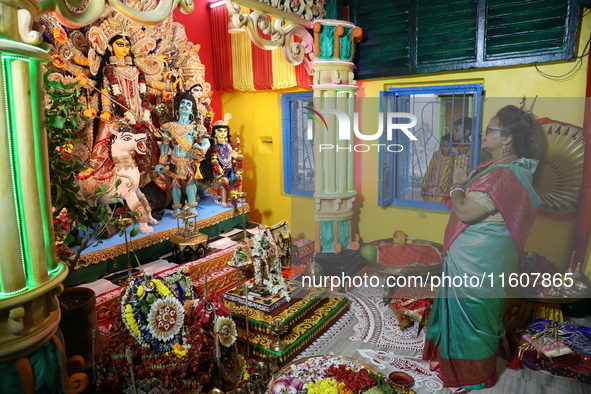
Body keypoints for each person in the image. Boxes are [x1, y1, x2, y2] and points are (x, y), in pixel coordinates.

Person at [422, 105, 546, 389]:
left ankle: (471, 374)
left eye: (490, 129)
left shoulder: (504, 174)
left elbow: (465, 212)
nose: (483, 134)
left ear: (507, 139)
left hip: (476, 265)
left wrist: (456, 185)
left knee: (473, 316)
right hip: (475, 260)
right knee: (472, 314)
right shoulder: (499, 168)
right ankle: (454, 363)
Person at [156, 93, 210, 216]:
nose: (185, 106)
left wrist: (200, 148)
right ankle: (176, 208)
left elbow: (206, 143)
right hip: (175, 161)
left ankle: (192, 207)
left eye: (188, 104)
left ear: (192, 109)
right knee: (175, 185)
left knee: (191, 184)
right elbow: (165, 145)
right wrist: (161, 162)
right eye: (183, 103)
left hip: (189, 160)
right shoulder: (169, 127)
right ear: (178, 106)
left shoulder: (196, 127)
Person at [422, 133, 452, 202]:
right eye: (441, 146)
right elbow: (429, 171)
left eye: (445, 146)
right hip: (431, 186)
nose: (442, 148)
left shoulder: (453, 158)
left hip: (444, 189)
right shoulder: (436, 156)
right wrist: (424, 185)